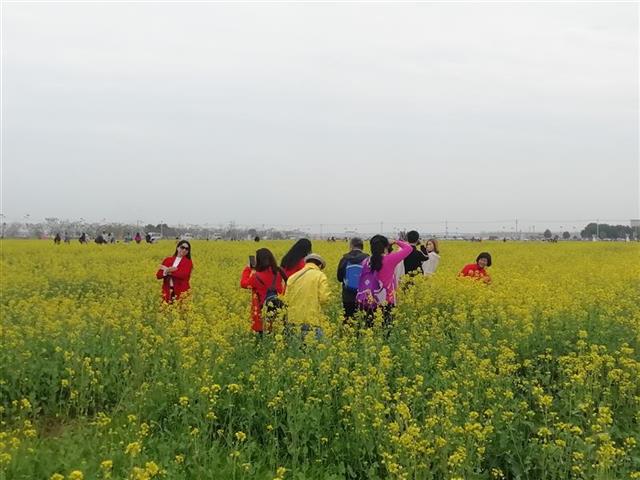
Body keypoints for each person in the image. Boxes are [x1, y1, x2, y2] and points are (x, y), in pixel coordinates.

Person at [356, 236, 413, 328]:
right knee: (385, 331)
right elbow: (409, 248)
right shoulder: (390, 259)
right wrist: (395, 241)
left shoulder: (366, 261)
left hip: (369, 301)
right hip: (386, 301)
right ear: (386, 247)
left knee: (369, 329)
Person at [240, 248, 287, 334]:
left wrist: (248, 268)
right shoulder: (279, 272)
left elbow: (243, 284)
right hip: (278, 309)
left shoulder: (256, 276)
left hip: (261, 313)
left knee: (262, 334)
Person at [284, 253, 331, 338]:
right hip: (312, 320)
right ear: (319, 265)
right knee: (314, 348)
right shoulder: (320, 276)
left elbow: (286, 299)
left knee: (296, 347)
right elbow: (324, 299)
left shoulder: (293, 277)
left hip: (293, 320)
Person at [337, 238, 369, 322]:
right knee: (363, 322)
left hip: (348, 296)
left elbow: (339, 278)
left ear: (351, 246)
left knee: (348, 320)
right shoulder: (368, 259)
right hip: (364, 296)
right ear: (362, 247)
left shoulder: (345, 259)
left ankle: (347, 334)